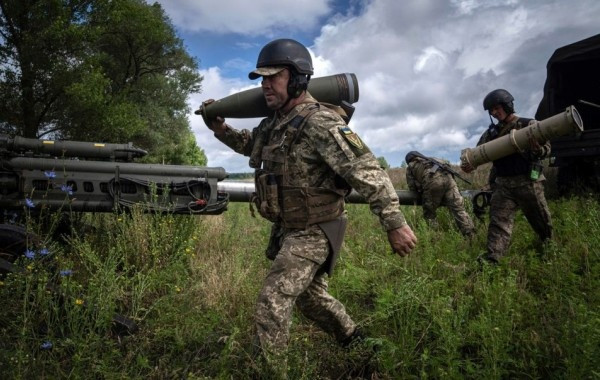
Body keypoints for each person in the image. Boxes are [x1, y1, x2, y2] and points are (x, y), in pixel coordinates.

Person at [201, 38, 417, 370]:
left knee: (272, 300)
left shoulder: (321, 122)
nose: (266, 85)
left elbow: (366, 171)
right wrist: (221, 129)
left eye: (274, 76)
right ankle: (360, 346)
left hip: (316, 228)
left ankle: (270, 373)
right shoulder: (274, 122)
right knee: (312, 300)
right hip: (289, 228)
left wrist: (395, 223)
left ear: (299, 79)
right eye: (263, 78)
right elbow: (251, 145)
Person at [461, 89, 553, 264]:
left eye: (497, 108)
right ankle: (493, 259)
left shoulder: (529, 124)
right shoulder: (491, 134)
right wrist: (469, 164)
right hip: (503, 185)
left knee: (540, 220)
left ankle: (549, 249)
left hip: (528, 181)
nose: (495, 113)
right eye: (491, 111)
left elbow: (547, 149)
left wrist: (538, 149)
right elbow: (478, 153)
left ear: (507, 105)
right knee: (498, 223)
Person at [405, 151, 475, 237]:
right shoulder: (433, 159)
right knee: (459, 210)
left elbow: (412, 187)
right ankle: (470, 235)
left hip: (433, 183)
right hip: (450, 181)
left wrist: (422, 192)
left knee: (429, 214)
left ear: (409, 160)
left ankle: (436, 237)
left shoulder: (411, 166)